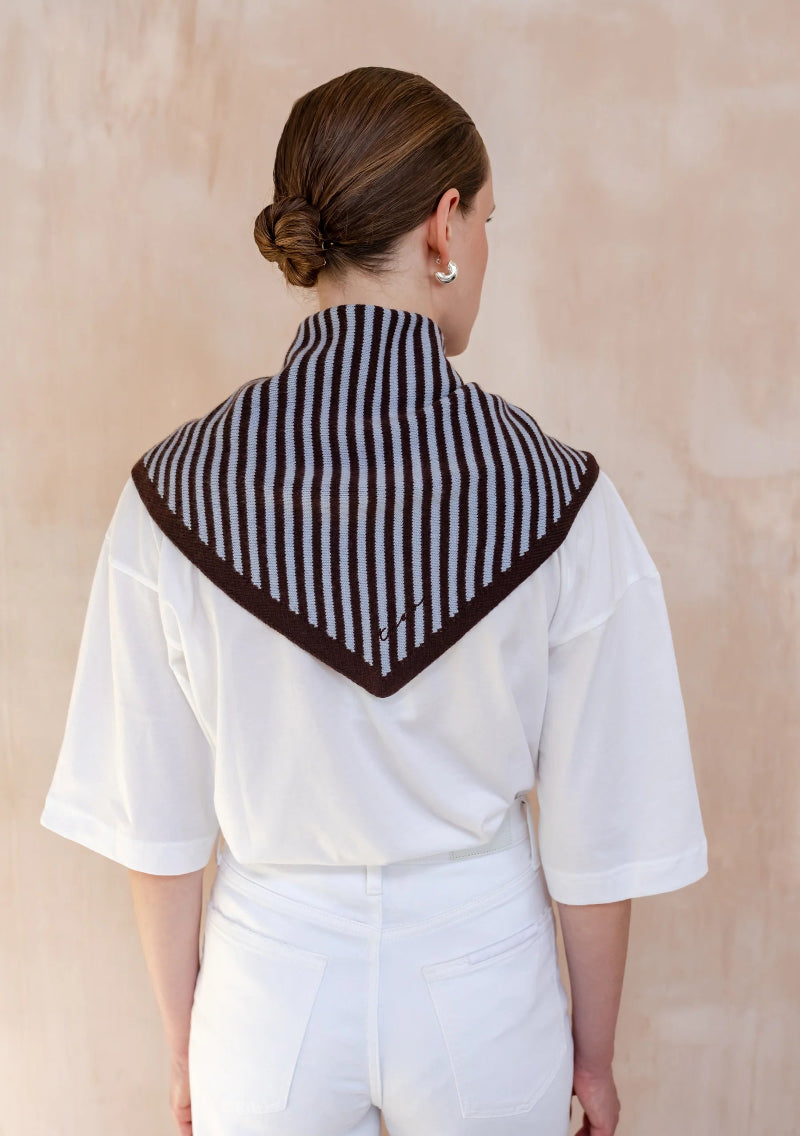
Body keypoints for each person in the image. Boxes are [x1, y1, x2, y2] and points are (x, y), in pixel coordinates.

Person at [39, 65, 708, 1136]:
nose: (483, 246)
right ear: (444, 225)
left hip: (271, 983)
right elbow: (596, 832)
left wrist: (186, 1046)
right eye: (487, 220)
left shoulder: (170, 495)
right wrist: (591, 1057)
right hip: (481, 973)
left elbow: (156, 827)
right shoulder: (560, 495)